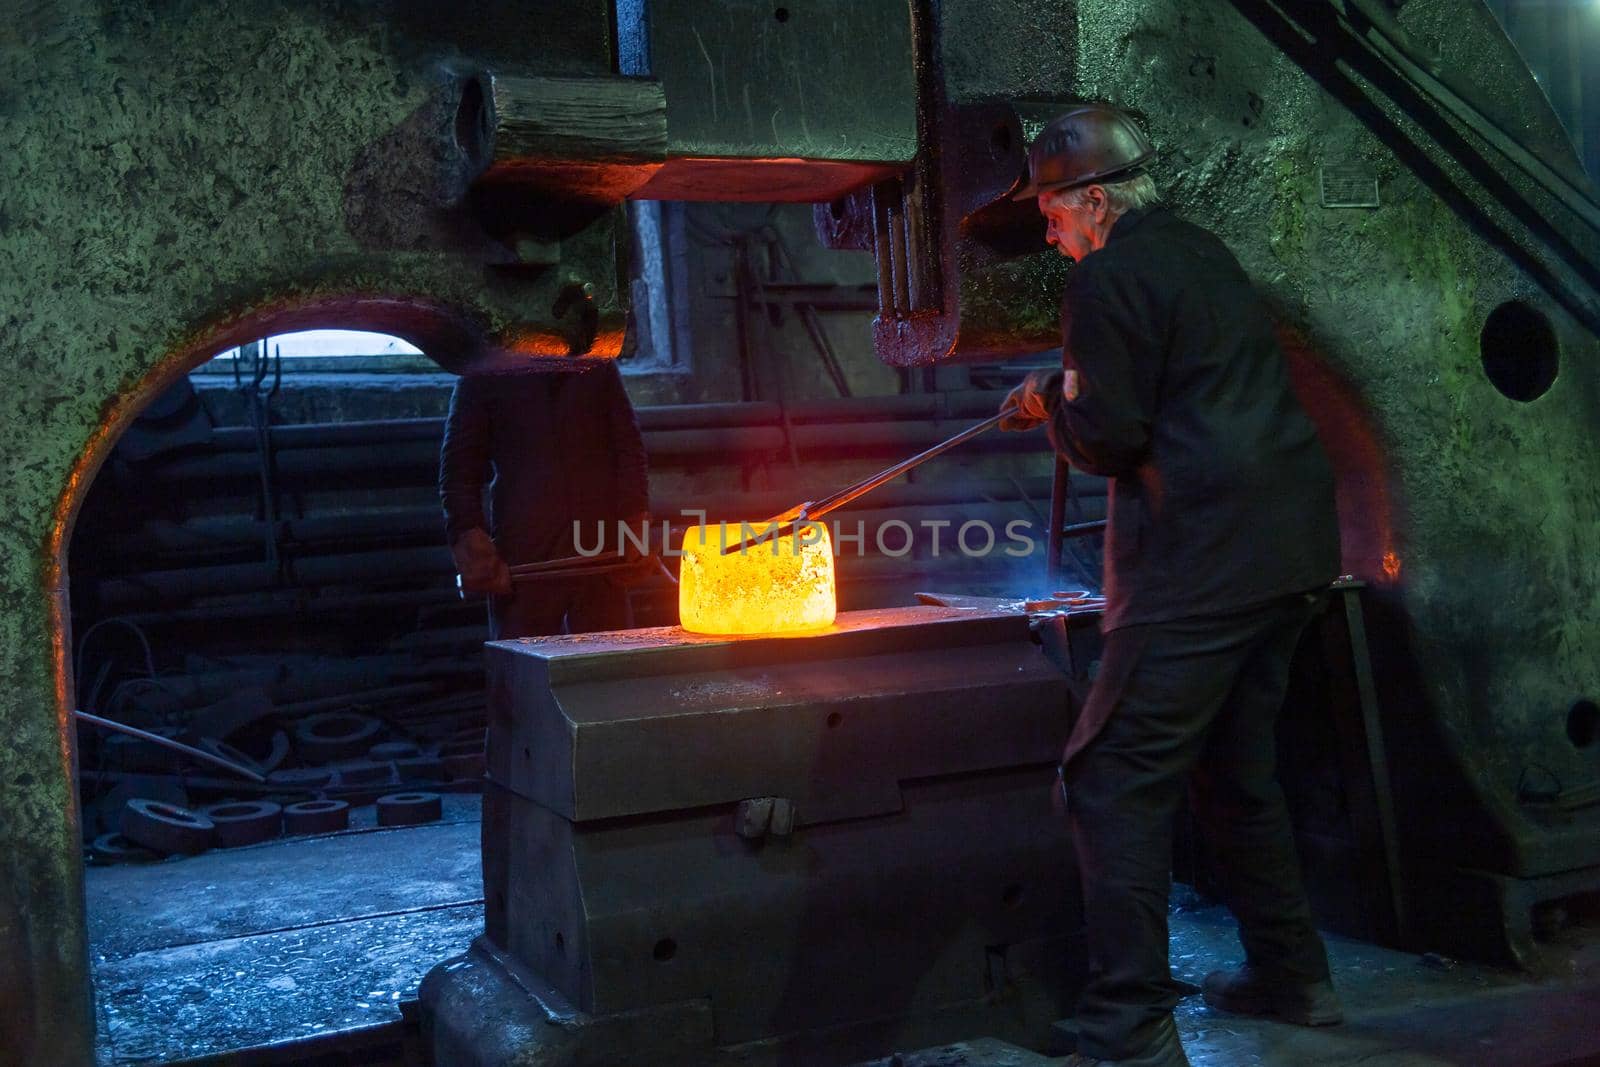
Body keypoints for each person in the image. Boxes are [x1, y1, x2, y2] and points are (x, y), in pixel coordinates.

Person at [999, 105, 1344, 1067]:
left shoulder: (1107, 276)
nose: (1049, 228)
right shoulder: (1201, 253)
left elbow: (1110, 433)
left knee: (1107, 777)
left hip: (1201, 564)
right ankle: (1295, 974)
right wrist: (1065, 384)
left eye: (1054, 212)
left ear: (1095, 199)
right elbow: (1173, 377)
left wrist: (1057, 410)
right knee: (1237, 771)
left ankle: (1130, 1024)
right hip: (1293, 553)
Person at [440, 358, 650, 640]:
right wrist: (467, 534)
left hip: (598, 551)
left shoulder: (594, 360)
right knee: (525, 669)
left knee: (610, 670)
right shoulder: (487, 366)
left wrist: (635, 522)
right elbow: (460, 468)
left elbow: (627, 447)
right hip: (525, 556)